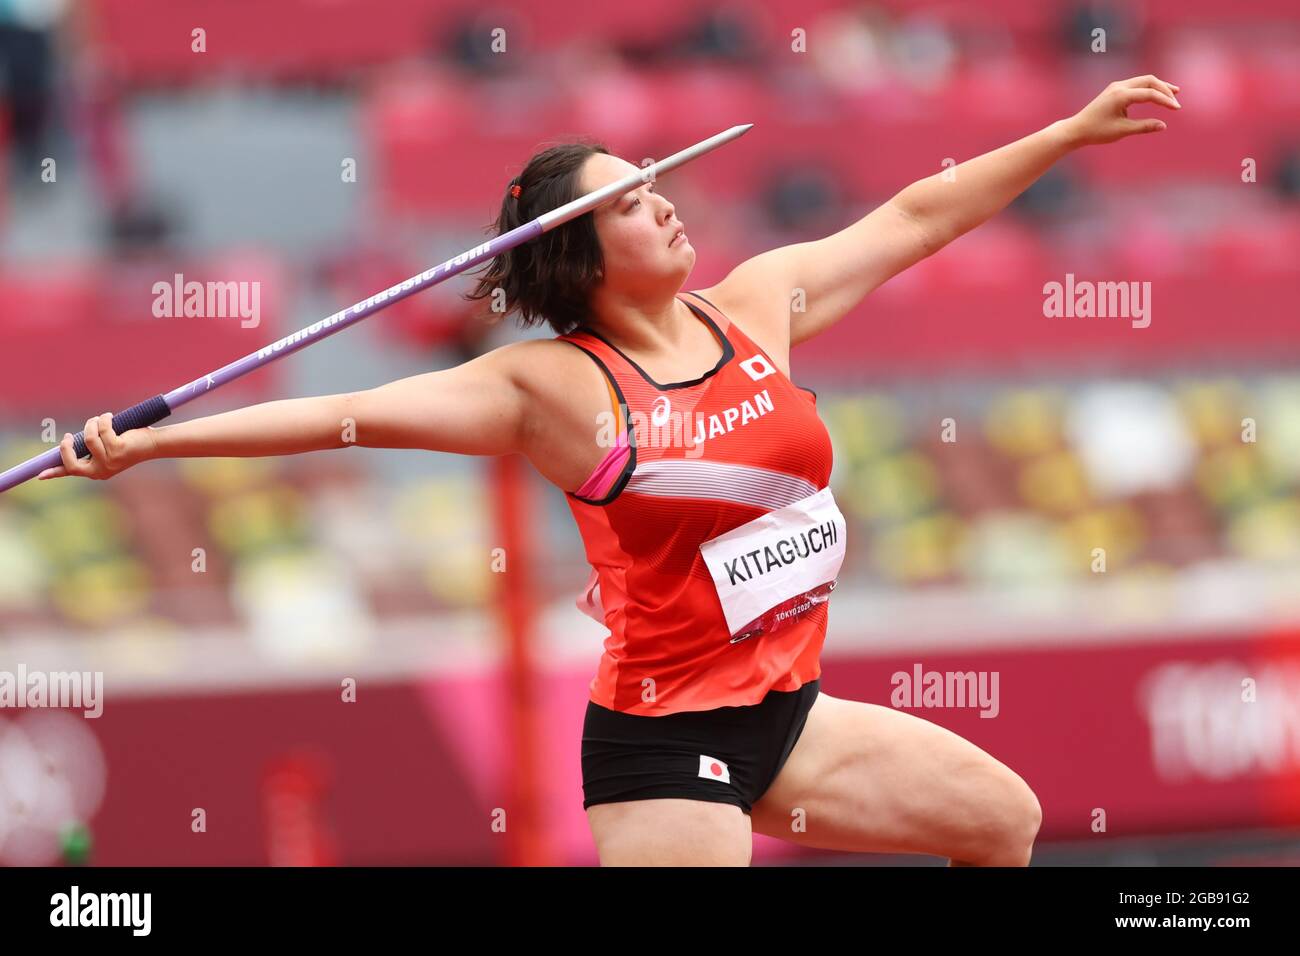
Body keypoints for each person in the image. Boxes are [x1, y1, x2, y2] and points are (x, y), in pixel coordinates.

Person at [40, 75, 1181, 866]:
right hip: (661, 734)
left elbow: (919, 215)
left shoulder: (754, 307)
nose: (666, 200)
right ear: (585, 255)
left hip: (786, 711)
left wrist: (1067, 134)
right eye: (632, 199)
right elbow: (341, 412)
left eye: (655, 179)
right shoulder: (551, 392)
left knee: (1002, 818)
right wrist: (146, 442)